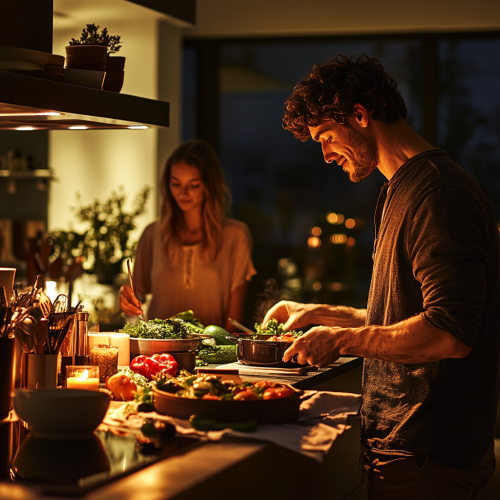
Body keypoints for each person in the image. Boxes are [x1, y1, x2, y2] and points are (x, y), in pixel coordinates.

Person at [263, 54, 499, 499]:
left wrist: (340, 342)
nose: (326, 154)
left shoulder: (440, 195)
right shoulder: (399, 190)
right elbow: (407, 313)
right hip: (406, 452)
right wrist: (328, 315)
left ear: (359, 115)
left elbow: (449, 333)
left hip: (430, 456)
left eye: (327, 137)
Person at [120, 139, 256, 332]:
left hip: (210, 352)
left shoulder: (236, 235)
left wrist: (223, 354)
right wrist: (126, 298)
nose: (183, 193)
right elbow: (136, 297)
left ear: (209, 186)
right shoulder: (152, 234)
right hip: (157, 351)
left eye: (193, 185)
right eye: (176, 183)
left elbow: (233, 320)